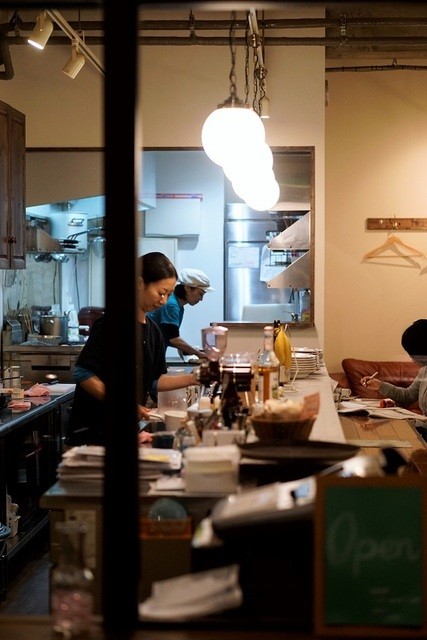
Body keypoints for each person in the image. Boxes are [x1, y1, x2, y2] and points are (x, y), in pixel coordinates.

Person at [65, 252, 199, 447]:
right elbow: (83, 373)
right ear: (139, 284)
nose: (163, 300)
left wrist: (194, 378)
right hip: (95, 430)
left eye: (169, 294)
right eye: (161, 293)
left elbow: (153, 381)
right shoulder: (112, 324)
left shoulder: (154, 331)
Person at [360, 319, 427, 419]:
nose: (411, 359)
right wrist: (380, 386)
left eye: (413, 353)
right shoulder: (424, 371)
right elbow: (408, 396)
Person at [147, 268, 214, 360]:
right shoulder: (172, 305)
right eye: (200, 294)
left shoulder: (178, 306)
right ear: (187, 288)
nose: (201, 299)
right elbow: (173, 339)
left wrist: (188, 349)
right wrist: (198, 353)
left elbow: (168, 336)